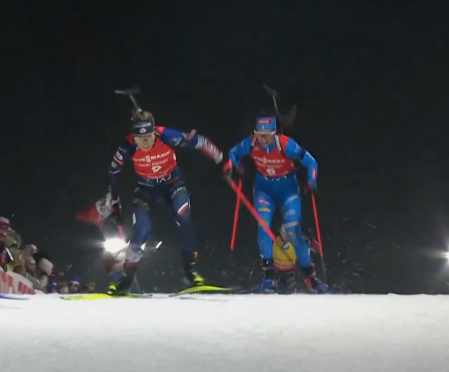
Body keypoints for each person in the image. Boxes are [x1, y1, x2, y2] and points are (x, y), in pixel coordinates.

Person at [103, 108, 224, 295]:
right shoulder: (126, 145)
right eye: (140, 138)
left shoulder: (167, 135)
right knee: (142, 230)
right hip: (145, 190)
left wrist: (220, 158)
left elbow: (200, 142)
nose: (145, 142)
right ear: (133, 137)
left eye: (149, 137)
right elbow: (113, 173)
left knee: (184, 216)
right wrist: (114, 203)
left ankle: (190, 272)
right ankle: (126, 279)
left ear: (154, 132)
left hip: (172, 184)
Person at [223, 113, 329, 293]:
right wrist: (234, 165)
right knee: (263, 227)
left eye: (267, 135)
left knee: (293, 230)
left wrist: (312, 181)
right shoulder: (251, 142)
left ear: (274, 134)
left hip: (288, 189)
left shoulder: (285, 144)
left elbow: (311, 162)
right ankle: (269, 279)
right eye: (260, 135)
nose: (263, 139)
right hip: (264, 189)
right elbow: (233, 153)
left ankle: (310, 277)